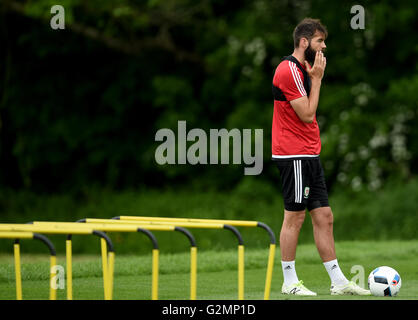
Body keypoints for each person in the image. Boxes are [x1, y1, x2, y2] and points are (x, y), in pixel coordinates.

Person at [271, 18, 370, 296]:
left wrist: (313, 76)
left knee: (324, 216)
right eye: (319, 41)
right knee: (295, 217)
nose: (324, 46)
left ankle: (338, 281)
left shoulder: (303, 68)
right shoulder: (288, 69)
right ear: (304, 43)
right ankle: (289, 282)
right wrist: (316, 80)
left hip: (309, 153)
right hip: (293, 154)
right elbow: (307, 113)